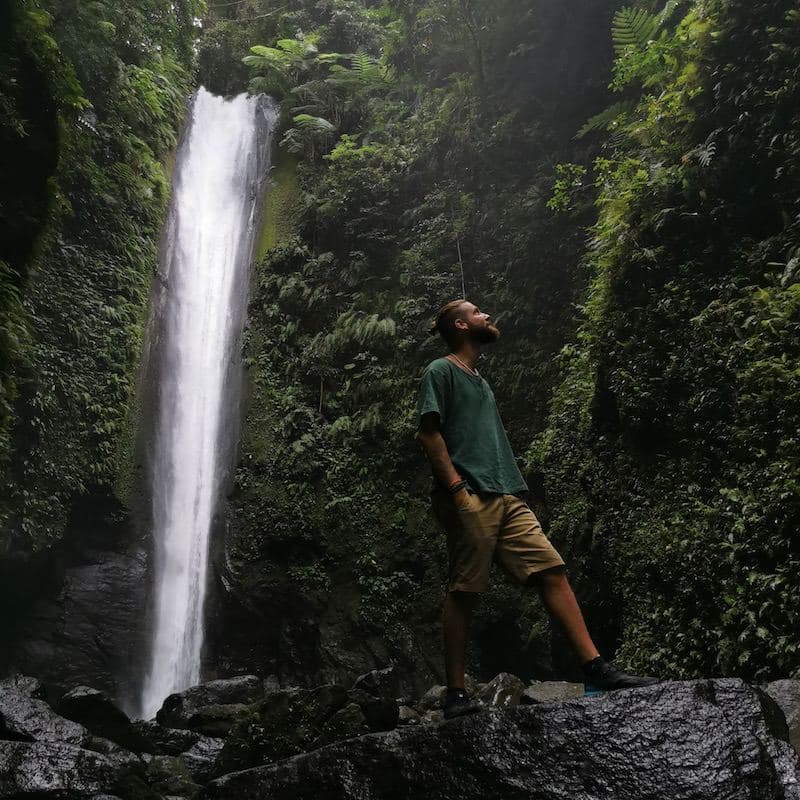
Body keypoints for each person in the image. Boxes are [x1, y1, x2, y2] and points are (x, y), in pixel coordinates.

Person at [416, 298, 658, 719]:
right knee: (466, 589)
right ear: (460, 324)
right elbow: (430, 435)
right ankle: (456, 692)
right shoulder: (441, 372)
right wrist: (457, 491)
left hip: (508, 493)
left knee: (552, 571)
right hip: (470, 493)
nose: (487, 316)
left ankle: (595, 667)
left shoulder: (481, 380)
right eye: (477, 313)